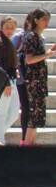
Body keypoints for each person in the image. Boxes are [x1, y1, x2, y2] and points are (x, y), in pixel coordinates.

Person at [20, 8, 56, 145]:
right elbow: (29, 60)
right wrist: (47, 55)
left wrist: (48, 52)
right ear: (36, 20)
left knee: (36, 117)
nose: (47, 22)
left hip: (39, 81)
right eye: (44, 19)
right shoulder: (31, 36)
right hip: (34, 82)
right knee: (34, 117)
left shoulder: (38, 37)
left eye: (48, 19)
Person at [0, 17, 22, 144]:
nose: (9, 30)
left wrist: (15, 71)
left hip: (12, 81)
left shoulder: (9, 42)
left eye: (12, 28)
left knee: (14, 114)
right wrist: (6, 83)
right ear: (2, 27)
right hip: (3, 83)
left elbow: (10, 64)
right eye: (7, 27)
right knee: (2, 114)